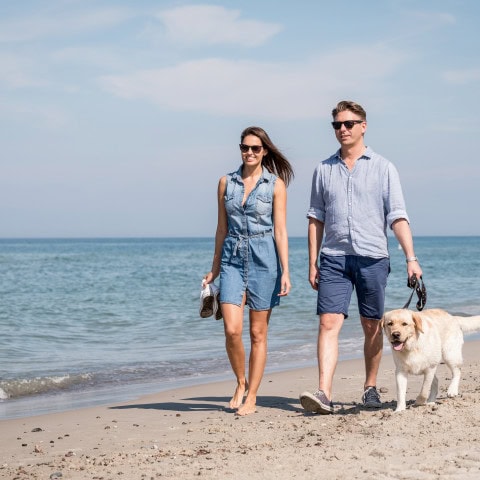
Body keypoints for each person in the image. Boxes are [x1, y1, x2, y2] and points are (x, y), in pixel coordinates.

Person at [299, 100, 423, 414]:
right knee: (328, 323)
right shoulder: (324, 169)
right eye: (337, 125)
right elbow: (315, 218)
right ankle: (324, 393)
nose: (342, 130)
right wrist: (313, 261)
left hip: (373, 258)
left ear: (363, 126)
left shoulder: (384, 168)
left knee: (372, 326)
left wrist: (411, 258)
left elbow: (397, 216)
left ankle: (369, 387)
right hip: (334, 258)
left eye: (349, 124)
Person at [203, 126, 294, 416]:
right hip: (231, 257)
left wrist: (286, 271)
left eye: (256, 148)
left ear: (264, 150)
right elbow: (221, 228)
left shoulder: (275, 185)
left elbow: (280, 230)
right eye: (245, 147)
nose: (250, 152)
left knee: (257, 333)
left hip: (264, 258)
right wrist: (214, 268)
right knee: (232, 330)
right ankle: (240, 382)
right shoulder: (225, 183)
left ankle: (252, 395)